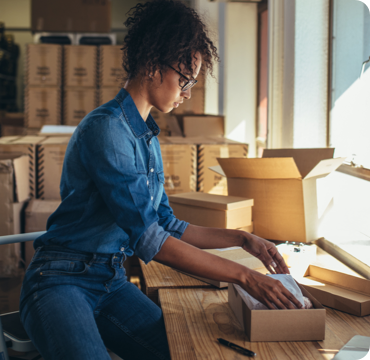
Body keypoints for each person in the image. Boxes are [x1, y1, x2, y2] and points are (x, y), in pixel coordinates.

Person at [19, 1, 303, 359]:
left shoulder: (147, 136)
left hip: (110, 282)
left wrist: (243, 239)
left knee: (183, 352)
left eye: (192, 83)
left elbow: (166, 223)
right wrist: (244, 276)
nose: (187, 93)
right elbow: (150, 240)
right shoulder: (107, 129)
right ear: (154, 66)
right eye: (184, 81)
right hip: (60, 280)